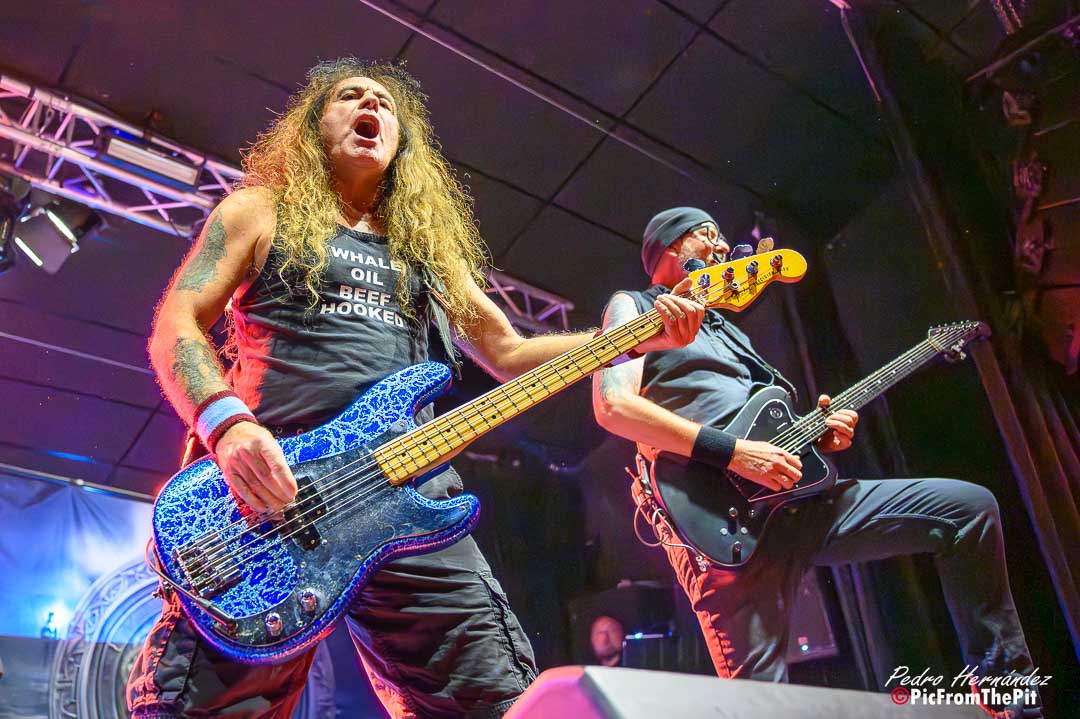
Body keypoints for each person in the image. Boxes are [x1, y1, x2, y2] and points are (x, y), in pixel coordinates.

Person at [126, 60, 705, 719]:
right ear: (315, 127)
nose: (371, 104)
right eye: (350, 96)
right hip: (275, 499)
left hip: (411, 493)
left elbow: (510, 352)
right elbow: (177, 324)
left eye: (385, 103)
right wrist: (228, 425)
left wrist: (637, 336)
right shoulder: (259, 211)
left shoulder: (426, 253)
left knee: (495, 701)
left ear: (403, 142)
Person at [592, 207, 1042, 719]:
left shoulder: (727, 330)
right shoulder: (636, 306)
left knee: (968, 510)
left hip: (803, 505)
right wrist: (736, 454)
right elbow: (613, 406)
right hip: (721, 528)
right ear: (672, 247)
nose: (722, 248)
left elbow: (763, 425)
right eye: (708, 235)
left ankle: (1009, 699)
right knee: (761, 709)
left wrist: (816, 439)